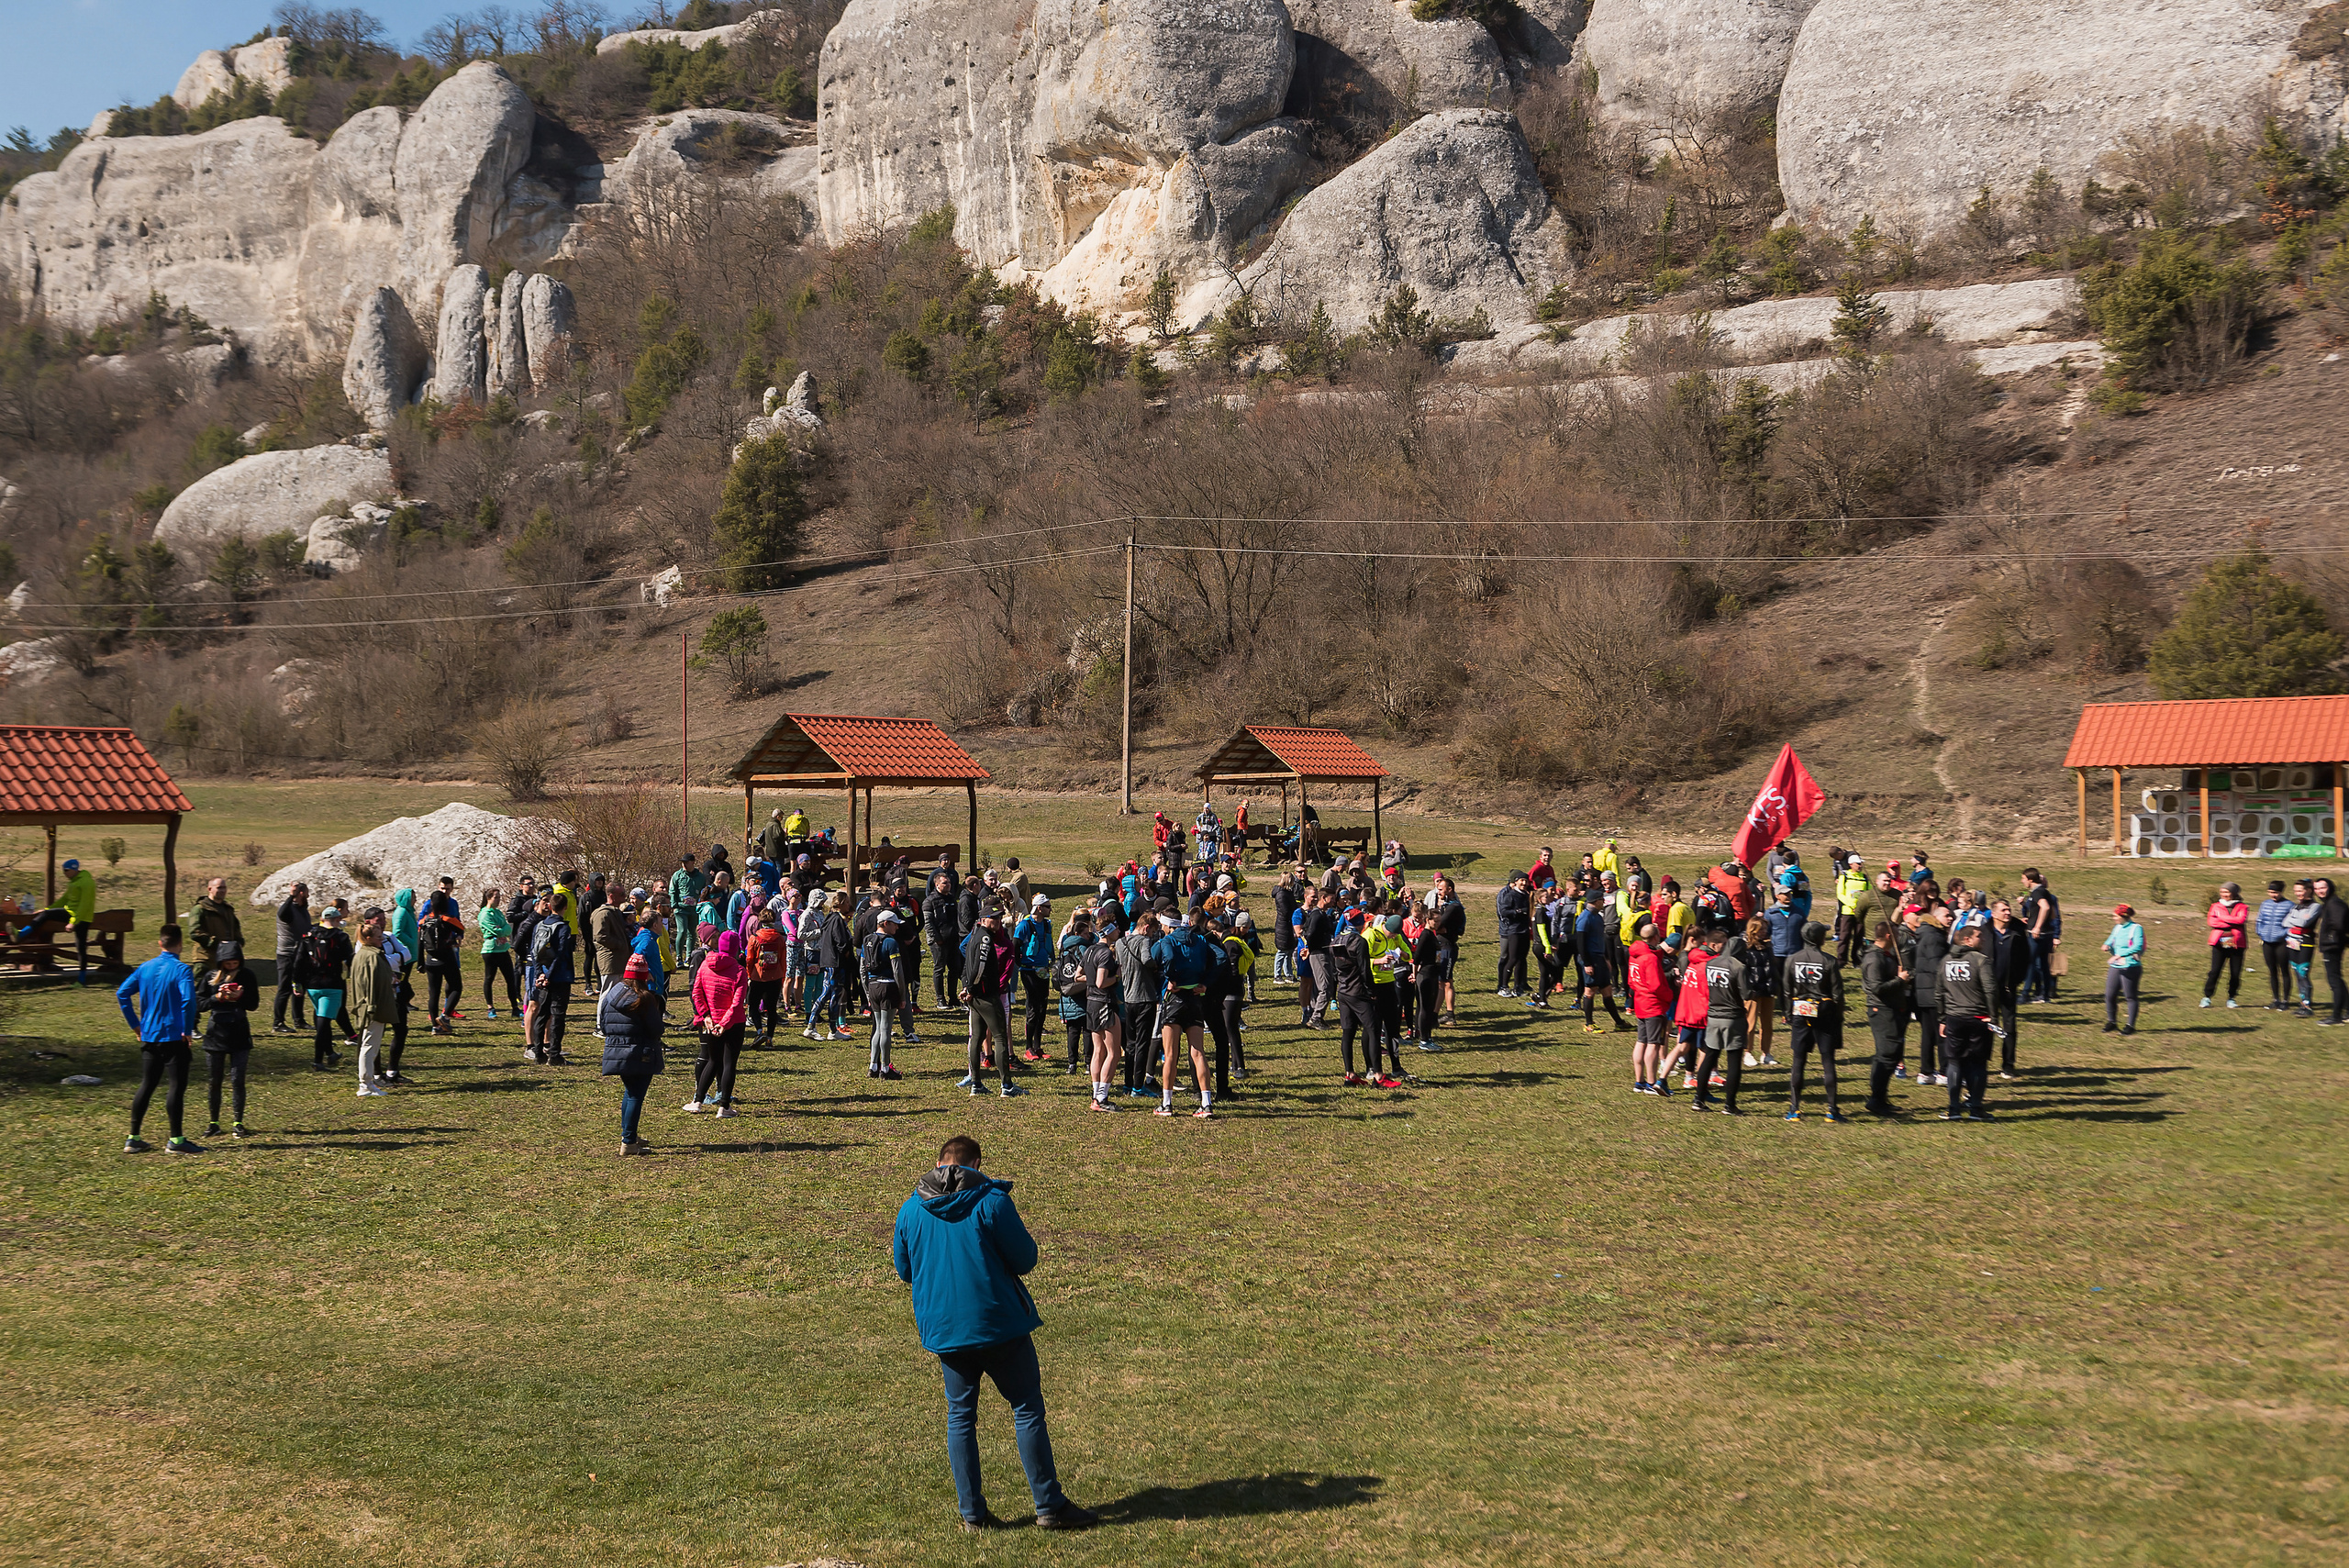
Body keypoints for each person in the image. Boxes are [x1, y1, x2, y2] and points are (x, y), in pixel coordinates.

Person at [891, 1134, 1095, 1532]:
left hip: (946, 1330)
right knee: (1026, 1408)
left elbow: (905, 1270)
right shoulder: (992, 1202)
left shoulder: (910, 1211)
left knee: (961, 1416)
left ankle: (972, 1514)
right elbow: (1025, 1257)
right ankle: (1048, 1504)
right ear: (977, 1165)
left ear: (939, 1164)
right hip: (999, 1325)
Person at [118, 924, 199, 1152]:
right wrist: (186, 1030)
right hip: (174, 1037)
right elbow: (188, 1001)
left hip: (150, 1037)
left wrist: (136, 1025)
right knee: (175, 1086)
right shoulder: (182, 970)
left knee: (147, 1084)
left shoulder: (144, 968)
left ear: (160, 943)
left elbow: (122, 993)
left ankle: (133, 1138)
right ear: (181, 944)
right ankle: (176, 1140)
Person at [1151, 908, 1217, 1116]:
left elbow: (1162, 958)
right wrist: (1206, 983)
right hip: (1195, 998)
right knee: (1198, 1052)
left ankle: (1167, 1103)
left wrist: (1169, 977)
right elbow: (1221, 958)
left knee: (1170, 1054)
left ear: (1168, 925)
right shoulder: (1200, 939)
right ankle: (1206, 1103)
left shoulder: (1166, 942)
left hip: (1175, 999)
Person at [601, 952, 667, 1155]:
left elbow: (603, 1026)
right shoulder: (644, 999)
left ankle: (629, 1134)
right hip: (640, 1052)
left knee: (630, 1093)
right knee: (636, 1096)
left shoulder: (612, 994)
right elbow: (657, 1029)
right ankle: (628, 1142)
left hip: (617, 1051)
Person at [1779, 922, 1846, 1120]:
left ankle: (1794, 1108)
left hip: (1800, 1011)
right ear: (1818, 938)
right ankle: (1832, 1110)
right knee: (1827, 1061)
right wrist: (1839, 1016)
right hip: (1825, 1014)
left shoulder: (1791, 960)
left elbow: (1786, 990)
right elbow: (1837, 994)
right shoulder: (1830, 961)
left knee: (1798, 1061)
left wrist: (1788, 1014)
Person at [196, 939, 261, 1138]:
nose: (232, 966)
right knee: (214, 1080)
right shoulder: (210, 977)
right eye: (228, 963)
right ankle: (214, 1122)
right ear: (221, 962)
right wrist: (218, 998)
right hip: (216, 1034)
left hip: (239, 1033)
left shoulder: (247, 976)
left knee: (237, 1079)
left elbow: (254, 1004)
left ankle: (238, 1122)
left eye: (235, 963)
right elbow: (199, 1003)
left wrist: (239, 996)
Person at [960, 901, 1023, 1098]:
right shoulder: (985, 938)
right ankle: (1006, 1085)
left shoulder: (975, 934)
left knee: (976, 1038)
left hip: (975, 995)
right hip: (985, 995)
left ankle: (976, 1083)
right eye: (995, 918)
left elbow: (967, 964)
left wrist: (966, 986)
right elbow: (978, 966)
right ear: (985, 919)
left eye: (1000, 917)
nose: (999, 921)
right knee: (1000, 1037)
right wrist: (970, 987)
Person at [685, 929, 750, 1116]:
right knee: (729, 1063)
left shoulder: (705, 964)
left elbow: (697, 992)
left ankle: (698, 1101)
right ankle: (724, 1106)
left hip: (711, 1022)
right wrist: (725, 1022)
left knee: (712, 1061)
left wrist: (706, 1016)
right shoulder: (739, 970)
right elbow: (737, 1002)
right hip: (733, 1022)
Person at [1937, 925, 1997, 1121]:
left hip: (1954, 1018)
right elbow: (1990, 990)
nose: (1984, 939)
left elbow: (1939, 993)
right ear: (1967, 940)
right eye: (1979, 936)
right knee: (1977, 1063)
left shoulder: (1945, 961)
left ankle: (1953, 1108)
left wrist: (1942, 1018)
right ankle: (1976, 1109)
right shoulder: (1981, 960)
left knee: (1954, 1061)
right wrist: (1993, 1017)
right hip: (1978, 1018)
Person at [1696, 929, 1749, 1114]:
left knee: (1709, 1057)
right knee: (1734, 1060)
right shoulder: (1738, 966)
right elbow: (1746, 993)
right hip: (1733, 1017)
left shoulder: (1712, 963)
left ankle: (1698, 1100)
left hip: (1713, 1016)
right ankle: (1730, 1105)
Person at [1859, 922, 1909, 1115]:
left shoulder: (1887, 956)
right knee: (1886, 1055)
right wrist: (1900, 980)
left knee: (1892, 1054)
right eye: (1896, 933)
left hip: (1892, 1009)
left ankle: (1880, 1097)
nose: (1899, 937)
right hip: (1881, 1010)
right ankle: (1876, 1100)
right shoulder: (1874, 958)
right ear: (1888, 936)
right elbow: (1876, 988)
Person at [348, 911, 399, 1098]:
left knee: (370, 1046)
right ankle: (365, 1084)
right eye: (378, 937)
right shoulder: (371, 956)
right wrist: (372, 1006)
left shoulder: (364, 954)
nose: (381, 940)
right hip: (373, 1008)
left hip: (370, 1006)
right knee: (369, 1047)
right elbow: (370, 984)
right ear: (369, 938)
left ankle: (368, 1083)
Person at [527, 894, 578, 1064]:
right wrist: (549, 976)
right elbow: (562, 954)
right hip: (560, 976)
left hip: (543, 975)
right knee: (557, 1015)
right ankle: (554, 1054)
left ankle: (538, 1052)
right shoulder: (563, 928)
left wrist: (540, 973)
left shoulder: (539, 925)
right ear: (566, 908)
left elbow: (534, 951)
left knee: (542, 1013)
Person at [863, 907, 910, 1081]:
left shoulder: (867, 940)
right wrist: (902, 995)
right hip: (888, 987)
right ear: (885, 924)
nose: (897, 928)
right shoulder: (891, 943)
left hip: (873, 986)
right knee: (885, 1029)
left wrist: (867, 990)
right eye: (895, 925)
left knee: (877, 1028)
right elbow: (897, 971)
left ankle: (872, 1066)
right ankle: (885, 1067)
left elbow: (863, 968)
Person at [1985, 899, 2030, 1079]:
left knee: (2010, 1028)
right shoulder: (1984, 932)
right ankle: (1982, 1063)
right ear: (1994, 914)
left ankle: (2008, 1065)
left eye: (2009, 909)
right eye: (2004, 910)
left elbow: (2026, 959)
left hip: (2008, 988)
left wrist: (2017, 980)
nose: (2008, 912)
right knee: (1987, 1026)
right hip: (1987, 990)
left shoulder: (2017, 932)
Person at [1627, 922, 1671, 1095]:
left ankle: (1639, 1081)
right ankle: (1652, 1083)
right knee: (1653, 1044)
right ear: (1656, 937)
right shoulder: (1650, 957)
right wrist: (1669, 996)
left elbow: (1631, 980)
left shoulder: (1634, 954)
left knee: (1641, 1041)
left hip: (1640, 1001)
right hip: (1653, 1004)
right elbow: (1656, 985)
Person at [1909, 905, 1949, 1088]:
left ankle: (1926, 1071)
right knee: (1942, 1033)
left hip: (1921, 992)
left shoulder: (1923, 933)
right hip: (1933, 992)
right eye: (1948, 916)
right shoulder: (1934, 937)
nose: (1951, 918)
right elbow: (1937, 968)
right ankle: (1944, 1072)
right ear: (1937, 917)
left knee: (1927, 1034)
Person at [1011, 895, 1054, 1063]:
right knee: (1032, 1008)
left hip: (1043, 969)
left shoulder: (1046, 925)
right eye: (1047, 906)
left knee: (1043, 1007)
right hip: (1029, 971)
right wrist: (1020, 964)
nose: (1050, 909)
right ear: (1038, 908)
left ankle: (1037, 1046)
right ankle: (1028, 1047)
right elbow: (1015, 946)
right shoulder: (1024, 926)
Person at [2201, 882, 2250, 1009]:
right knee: (2215, 971)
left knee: (2235, 972)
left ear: (2233, 893)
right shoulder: (2215, 906)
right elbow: (2212, 921)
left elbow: (2241, 920)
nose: (2224, 895)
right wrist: (2230, 923)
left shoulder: (2242, 907)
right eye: (2222, 892)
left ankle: (2231, 997)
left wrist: (2222, 918)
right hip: (2219, 943)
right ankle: (2207, 996)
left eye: (2227, 892)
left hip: (2237, 943)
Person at [272, 881, 312, 1033]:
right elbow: (282, 913)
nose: (309, 894)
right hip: (287, 954)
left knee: (299, 986)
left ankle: (299, 1020)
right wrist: (291, 896)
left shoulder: (302, 909)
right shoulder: (289, 910)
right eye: (307, 891)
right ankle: (278, 1023)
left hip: (300, 953)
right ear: (301, 893)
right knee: (285, 988)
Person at [2019, 867, 2062, 1003]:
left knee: (2030, 962)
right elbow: (2053, 912)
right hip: (2047, 933)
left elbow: (2046, 907)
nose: (2022, 881)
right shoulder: (2045, 892)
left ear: (2030, 879)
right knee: (2044, 965)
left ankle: (2025, 994)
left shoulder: (2037, 892)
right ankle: (2044, 995)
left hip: (2037, 934)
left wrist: (2037, 927)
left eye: (2023, 879)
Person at [2101, 904, 2145, 1035]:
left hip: (2130, 966)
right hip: (2116, 965)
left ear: (2123, 916)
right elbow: (2111, 938)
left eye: (2115, 916)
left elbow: (2138, 946)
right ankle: (2112, 1022)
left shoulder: (2136, 928)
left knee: (2130, 996)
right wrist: (2106, 944)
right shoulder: (2118, 927)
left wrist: (2121, 954)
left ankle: (2130, 1025)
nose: (2113, 918)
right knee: (2109, 995)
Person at [477, 888, 519, 1020]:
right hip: (491, 950)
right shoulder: (485, 914)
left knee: (510, 979)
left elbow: (507, 928)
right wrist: (502, 930)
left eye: (499, 897)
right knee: (489, 979)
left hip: (503, 949)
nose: (498, 899)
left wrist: (503, 930)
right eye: (496, 897)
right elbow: (498, 931)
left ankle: (515, 1008)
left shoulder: (498, 913)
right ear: (489, 898)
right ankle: (490, 1007)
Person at [2255, 880, 2296, 1011]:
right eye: (2271, 892)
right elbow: (2260, 920)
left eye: (2276, 892)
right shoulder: (2265, 904)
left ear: (2281, 892)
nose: (2273, 895)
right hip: (2267, 942)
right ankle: (2275, 999)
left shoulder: (2289, 905)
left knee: (2284, 970)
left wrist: (2283, 934)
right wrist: (2260, 932)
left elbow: (2292, 923)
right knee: (2272, 971)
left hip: (2282, 942)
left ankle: (2285, 1000)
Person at [2285, 881, 2321, 1018]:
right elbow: (2285, 922)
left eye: (2300, 891)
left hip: (2306, 943)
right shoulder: (2296, 906)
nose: (2297, 894)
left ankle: (2307, 1005)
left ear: (2309, 891)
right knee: (2295, 971)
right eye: (2296, 891)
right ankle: (2302, 1003)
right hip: (2292, 941)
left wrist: (2295, 922)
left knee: (2302, 972)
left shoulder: (2315, 906)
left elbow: (2304, 923)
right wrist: (2297, 923)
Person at [1494, 871, 1531, 997]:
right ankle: (1503, 986)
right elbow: (1504, 912)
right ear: (1515, 882)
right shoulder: (1510, 895)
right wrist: (1520, 911)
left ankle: (1518, 987)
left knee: (1521, 959)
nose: (1524, 883)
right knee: (1513, 958)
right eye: (1522, 880)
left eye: (1526, 881)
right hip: (1514, 931)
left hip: (1525, 930)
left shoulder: (1527, 895)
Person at [191, 877, 242, 968]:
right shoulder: (200, 909)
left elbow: (236, 928)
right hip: (206, 958)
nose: (223, 891)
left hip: (226, 959)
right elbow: (195, 932)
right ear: (210, 889)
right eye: (219, 888)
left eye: (224, 888)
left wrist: (238, 943)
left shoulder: (228, 909)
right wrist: (217, 944)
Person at [2321, 876, 2349, 1027]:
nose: (2320, 891)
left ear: (2330, 888)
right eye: (2317, 889)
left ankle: (2336, 1016)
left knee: (2334, 981)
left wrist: (2332, 936)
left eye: (2323, 888)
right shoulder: (2329, 903)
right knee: (2337, 978)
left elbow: (2340, 925)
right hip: (2332, 944)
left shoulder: (2334, 903)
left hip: (2332, 946)